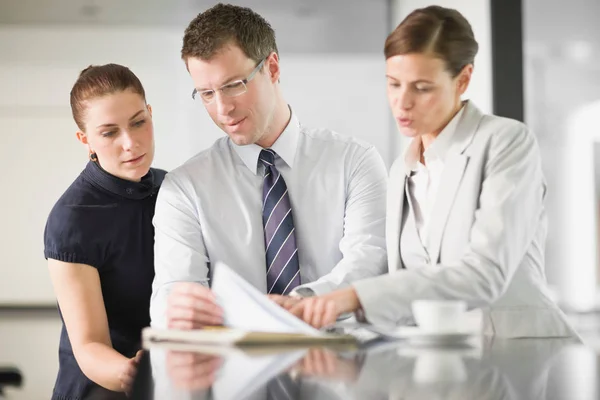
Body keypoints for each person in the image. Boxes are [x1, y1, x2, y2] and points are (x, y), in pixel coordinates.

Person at [287, 6, 579, 338]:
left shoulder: (505, 142)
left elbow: (485, 274)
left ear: (464, 79)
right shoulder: (402, 169)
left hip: (518, 355)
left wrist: (356, 297)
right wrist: (308, 301)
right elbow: (396, 276)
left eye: (422, 88)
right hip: (440, 363)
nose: (402, 102)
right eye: (394, 84)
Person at [150, 3, 387, 330]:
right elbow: (173, 296)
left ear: (272, 68)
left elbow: (369, 267)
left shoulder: (355, 162)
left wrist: (298, 306)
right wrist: (182, 310)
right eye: (206, 93)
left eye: (234, 85)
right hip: (232, 369)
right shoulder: (184, 189)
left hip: (343, 358)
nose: (223, 109)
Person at [44, 64, 166, 398]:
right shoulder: (72, 218)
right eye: (109, 132)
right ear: (86, 140)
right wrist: (133, 372)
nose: (131, 143)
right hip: (102, 389)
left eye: (139, 122)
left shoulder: (174, 191)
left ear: (151, 114)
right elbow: (89, 346)